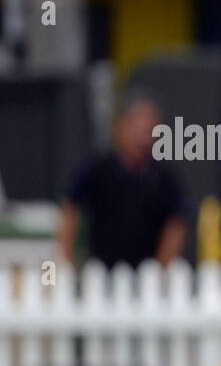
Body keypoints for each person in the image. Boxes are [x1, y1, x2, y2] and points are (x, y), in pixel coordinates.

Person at [58, 96, 186, 268]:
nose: (147, 134)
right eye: (141, 127)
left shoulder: (165, 177)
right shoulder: (98, 170)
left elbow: (176, 224)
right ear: (123, 127)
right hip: (102, 270)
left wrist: (163, 268)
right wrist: (67, 260)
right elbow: (71, 210)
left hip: (147, 274)